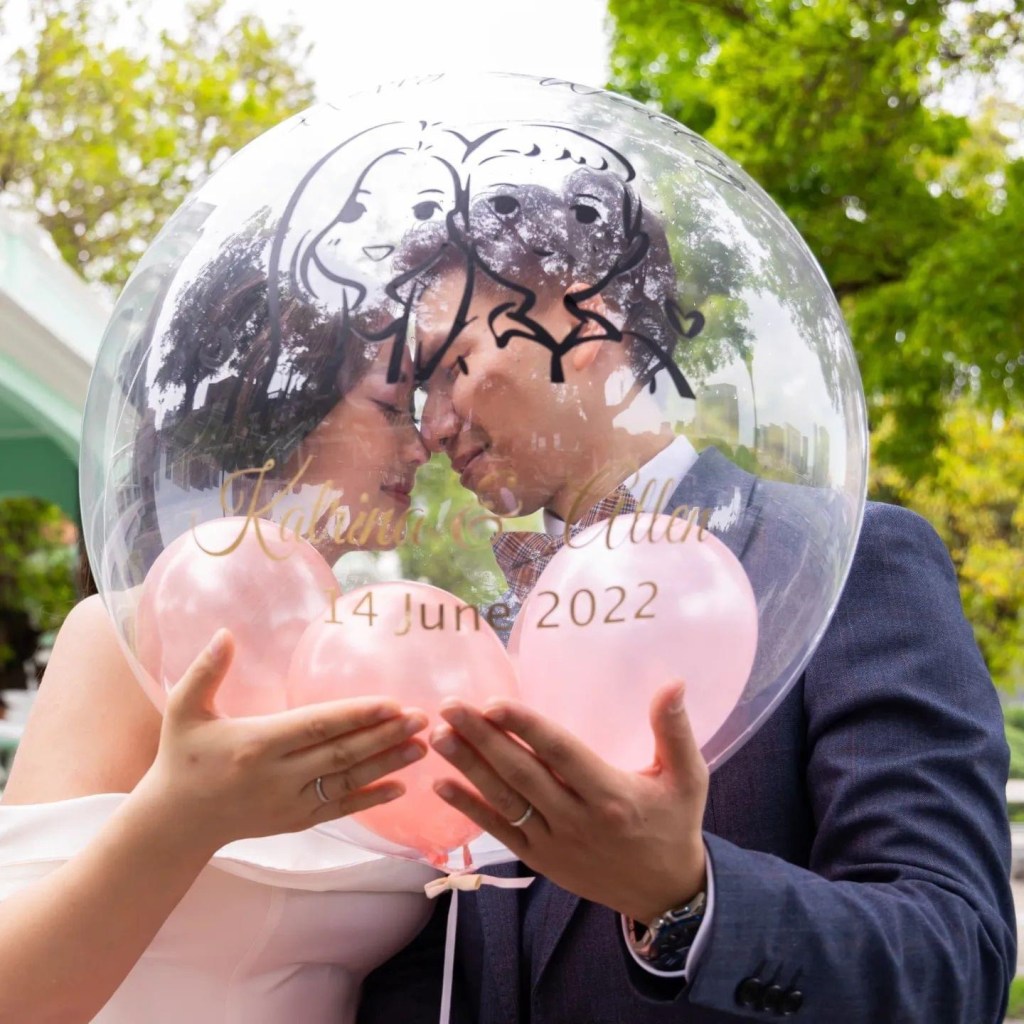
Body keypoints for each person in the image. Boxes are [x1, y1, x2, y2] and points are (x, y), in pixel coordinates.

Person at [357, 179, 1017, 1023]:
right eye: (423, 393)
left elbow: (955, 959)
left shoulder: (847, 563)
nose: (435, 427)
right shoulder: (484, 638)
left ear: (586, 322)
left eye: (456, 367)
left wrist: (686, 898)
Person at [0, 231, 438, 1024]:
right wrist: (183, 815)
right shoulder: (127, 640)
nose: (423, 445)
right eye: (390, 408)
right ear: (283, 407)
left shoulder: (376, 654)